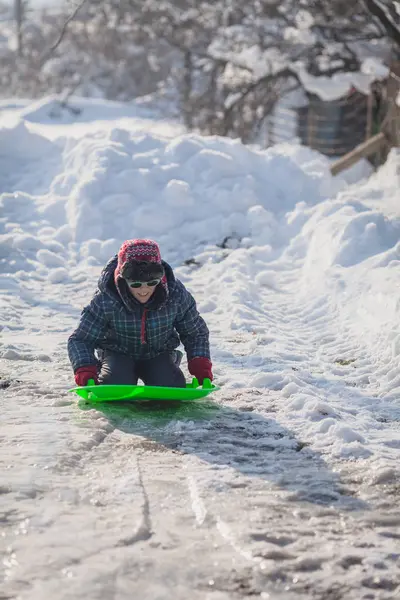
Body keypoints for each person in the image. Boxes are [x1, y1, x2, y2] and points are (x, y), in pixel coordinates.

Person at [67, 239, 213, 388]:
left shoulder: (175, 295)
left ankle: (163, 374)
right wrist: (84, 367)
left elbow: (195, 332)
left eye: (151, 283)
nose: (144, 291)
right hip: (118, 353)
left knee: (170, 384)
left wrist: (199, 361)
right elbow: (81, 339)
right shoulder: (107, 298)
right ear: (123, 279)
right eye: (136, 284)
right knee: (116, 384)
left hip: (158, 353)